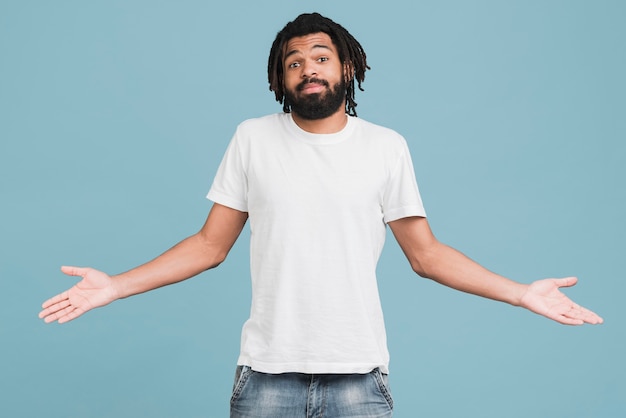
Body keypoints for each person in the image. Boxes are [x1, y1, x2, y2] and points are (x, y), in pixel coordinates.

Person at [39, 13, 603, 418]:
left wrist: (521, 292)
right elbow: (210, 246)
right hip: (265, 382)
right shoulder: (252, 138)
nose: (307, 69)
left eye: (320, 57)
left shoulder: (386, 146)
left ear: (348, 66)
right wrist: (114, 286)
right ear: (280, 79)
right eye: (293, 62)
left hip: (360, 383)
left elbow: (427, 255)